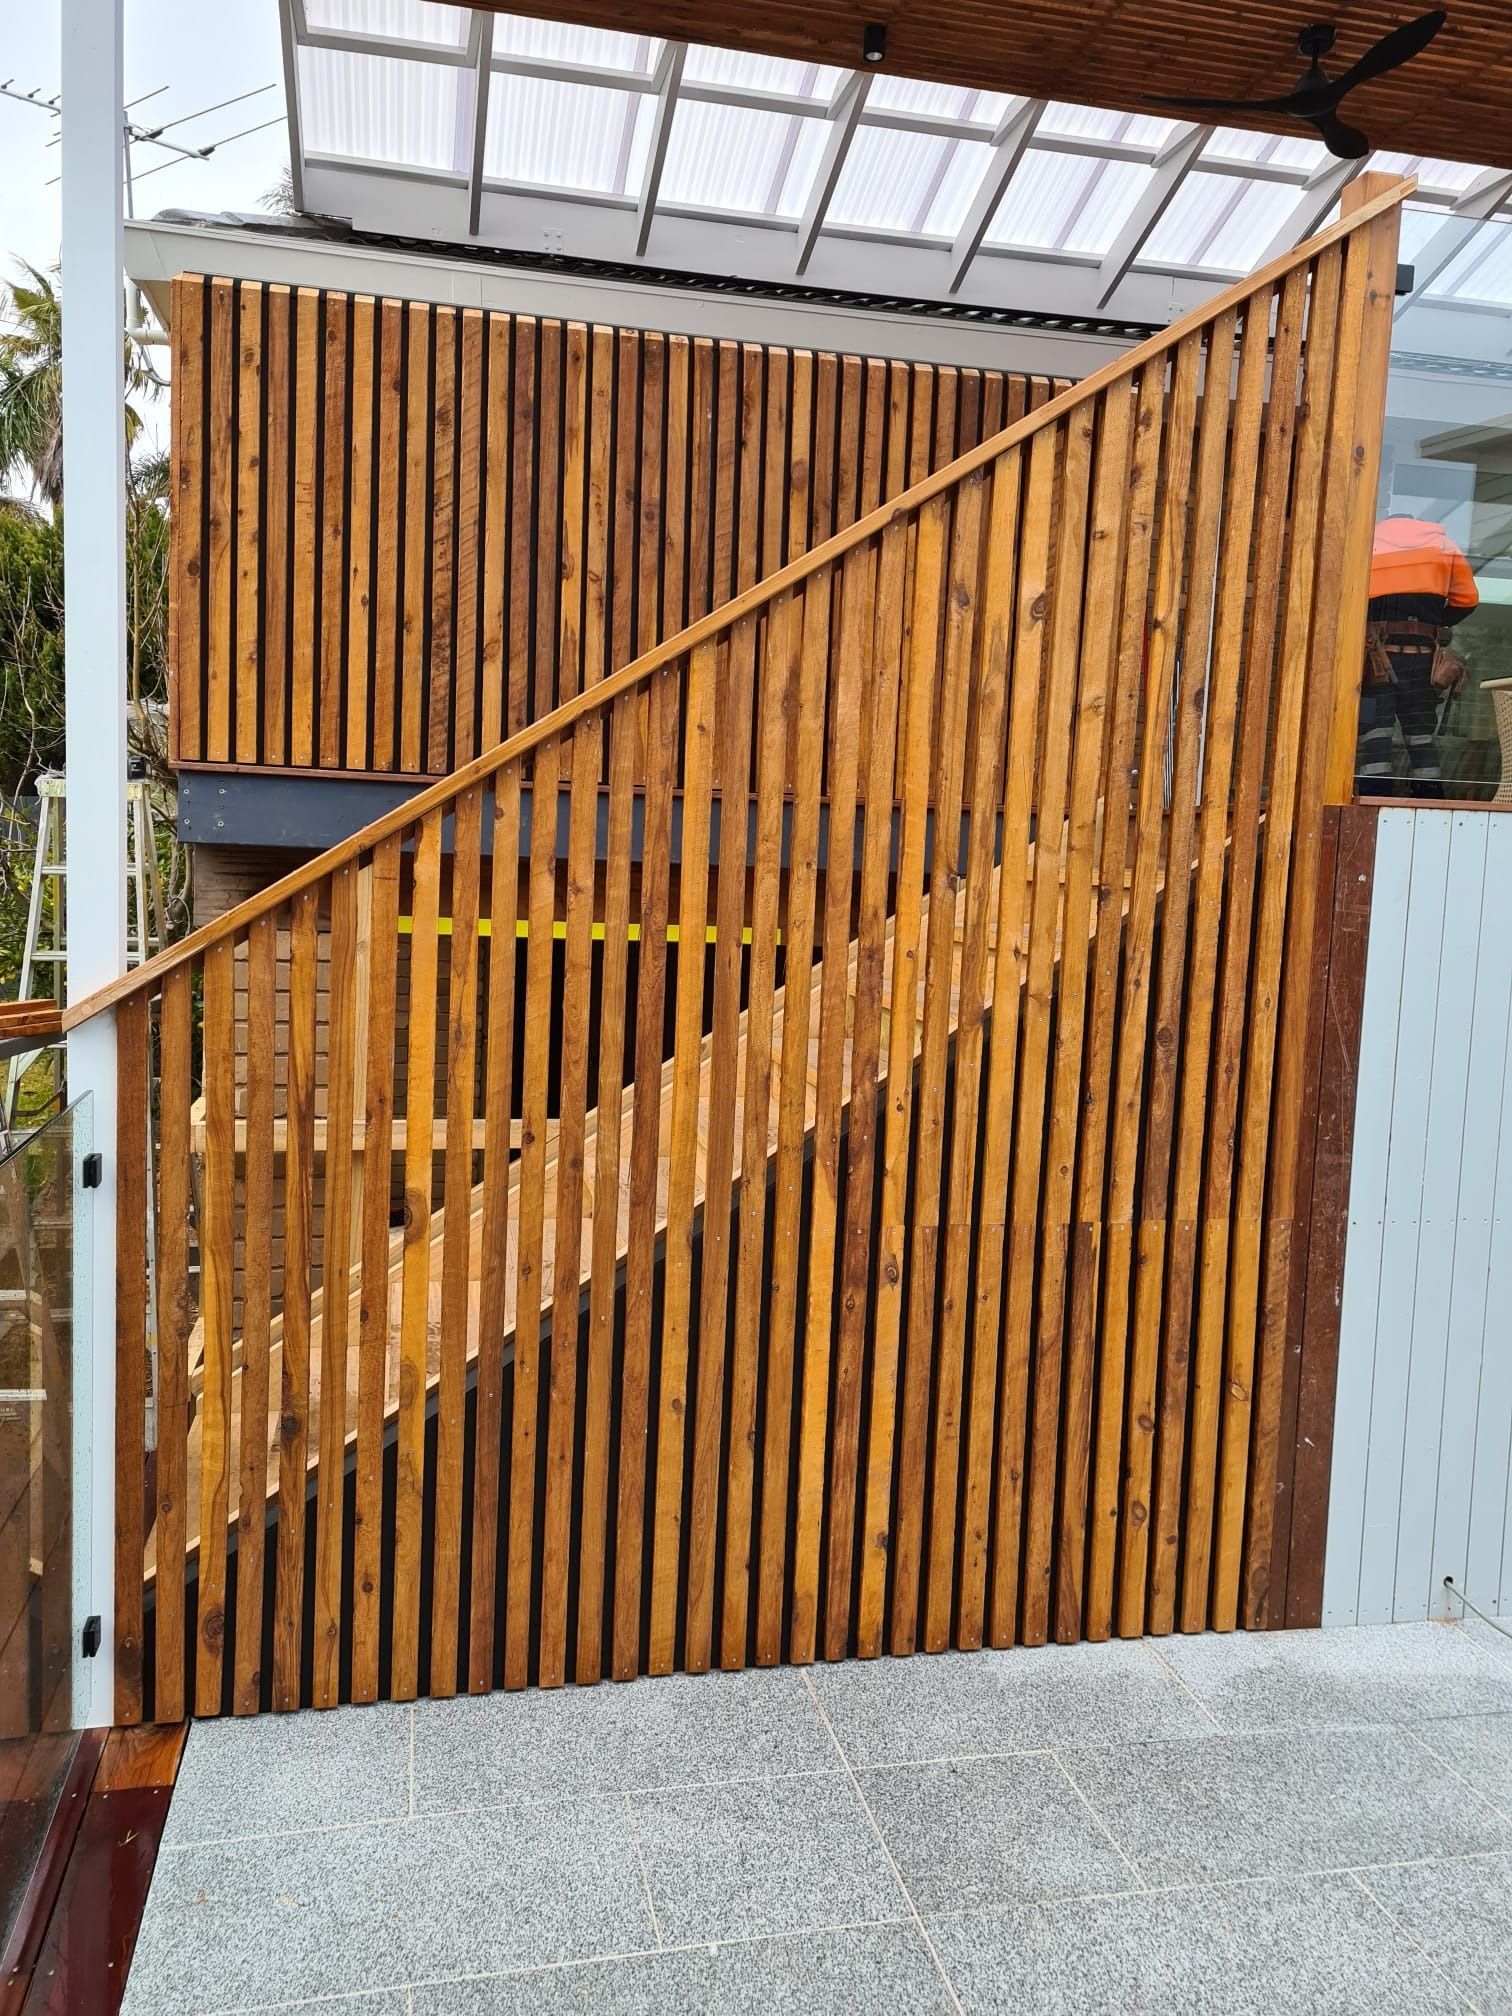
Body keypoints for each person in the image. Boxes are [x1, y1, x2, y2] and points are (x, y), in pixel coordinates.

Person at [1356, 513, 1479, 798]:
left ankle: (1373, 804)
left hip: (1376, 661)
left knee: (1375, 736)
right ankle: (1430, 803)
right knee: (1421, 739)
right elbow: (1468, 599)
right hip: (1424, 662)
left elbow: (1346, 594)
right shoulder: (1443, 545)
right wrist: (1435, 623)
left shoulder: (1366, 541)